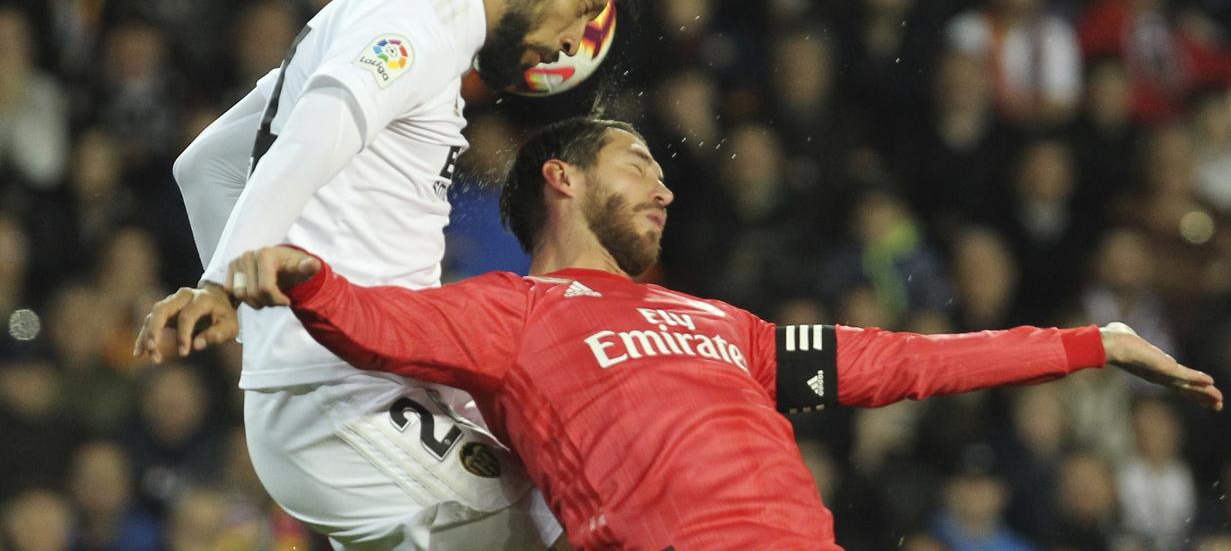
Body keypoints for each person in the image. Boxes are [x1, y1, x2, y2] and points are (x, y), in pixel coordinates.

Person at [229, 116, 1223, 551]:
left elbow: (909, 360)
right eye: (637, 160)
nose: (663, 183)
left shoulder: (722, 324)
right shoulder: (512, 310)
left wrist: (1091, 342)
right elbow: (378, 321)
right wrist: (302, 275)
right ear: (561, 179)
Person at [133, 0, 654, 550]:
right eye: (584, 5)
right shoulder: (421, 18)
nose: (572, 42)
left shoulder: (387, 7)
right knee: (558, 524)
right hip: (346, 395)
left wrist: (260, 338)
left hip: (350, 391)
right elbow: (312, 139)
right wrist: (229, 288)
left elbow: (207, 168)